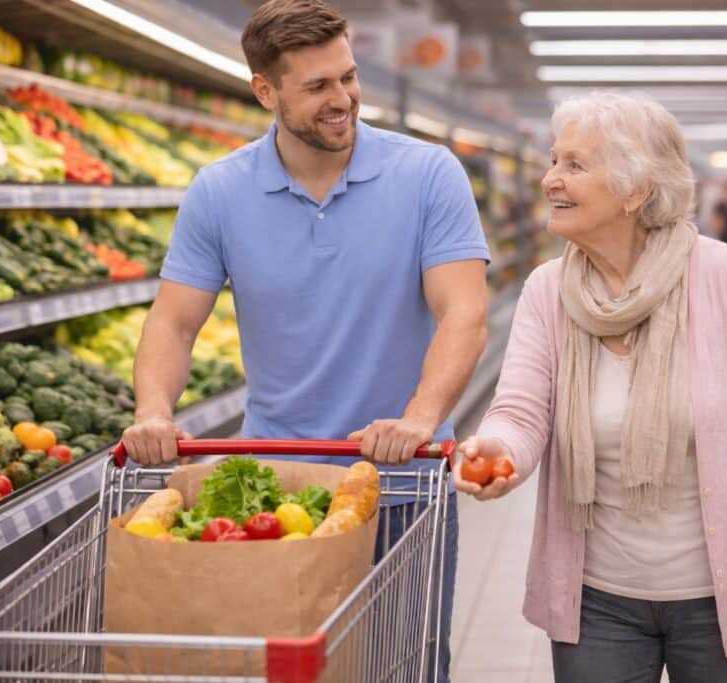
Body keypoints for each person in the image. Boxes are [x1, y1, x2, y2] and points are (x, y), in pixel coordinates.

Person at [120, 1, 489, 679]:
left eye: (348, 77)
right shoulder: (220, 191)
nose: (342, 99)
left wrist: (418, 419)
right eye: (318, 86)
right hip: (276, 492)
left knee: (401, 668)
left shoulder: (428, 174)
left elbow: (463, 312)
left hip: (400, 488)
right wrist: (153, 411)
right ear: (265, 91)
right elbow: (173, 321)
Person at [454, 92, 727, 683]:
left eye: (575, 165)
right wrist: (496, 450)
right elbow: (520, 411)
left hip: (725, 599)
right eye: (554, 160)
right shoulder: (548, 291)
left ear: (636, 190)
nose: (550, 179)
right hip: (597, 600)